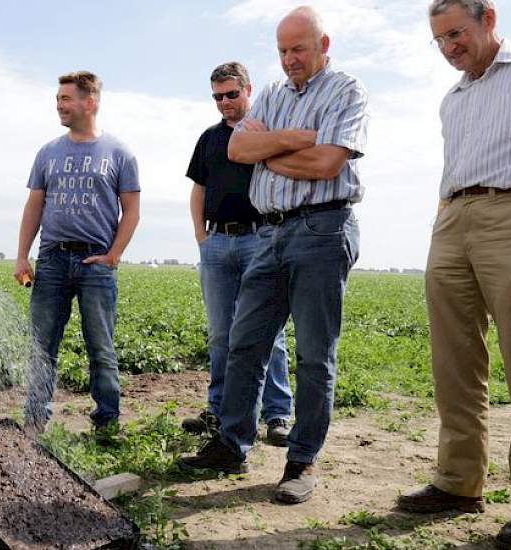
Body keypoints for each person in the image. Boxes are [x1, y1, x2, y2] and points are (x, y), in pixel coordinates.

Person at [396, 1, 511, 546]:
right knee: (454, 362)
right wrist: (447, 216)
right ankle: (458, 481)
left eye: (457, 33)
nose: (450, 48)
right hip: (453, 219)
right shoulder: (454, 100)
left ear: (489, 19)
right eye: (440, 40)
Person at [177, 6, 367, 506]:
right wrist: (293, 141)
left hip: (323, 228)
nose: (289, 60)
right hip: (271, 234)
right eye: (282, 50)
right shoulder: (277, 96)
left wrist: (268, 149)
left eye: (298, 49)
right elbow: (239, 151)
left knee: (313, 355)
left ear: (323, 45)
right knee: (244, 343)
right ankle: (233, 443)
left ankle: (301, 461)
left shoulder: (347, 90)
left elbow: (329, 163)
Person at [15, 71, 140, 444]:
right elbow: (34, 205)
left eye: (66, 99)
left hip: (95, 264)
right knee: (42, 345)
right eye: (58, 98)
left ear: (91, 101)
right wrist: (22, 256)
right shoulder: (48, 152)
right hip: (52, 260)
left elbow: (131, 210)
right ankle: (36, 420)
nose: (59, 105)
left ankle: (106, 424)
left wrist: (114, 255)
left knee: (101, 347)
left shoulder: (119, 153)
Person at [183, 61, 292, 447]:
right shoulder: (209, 139)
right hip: (217, 245)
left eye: (231, 94)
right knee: (220, 334)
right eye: (217, 97)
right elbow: (198, 189)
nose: (224, 102)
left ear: (248, 90)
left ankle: (277, 414)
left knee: (270, 332)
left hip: (260, 241)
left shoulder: (265, 134)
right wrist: (201, 236)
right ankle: (218, 408)